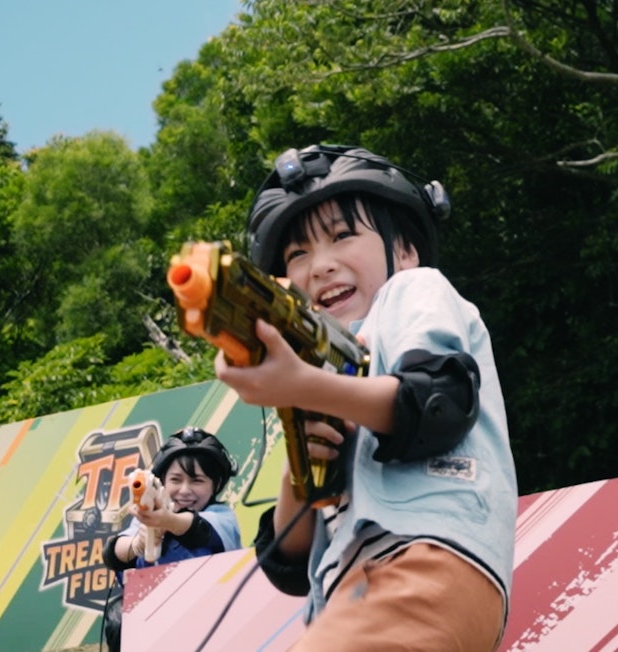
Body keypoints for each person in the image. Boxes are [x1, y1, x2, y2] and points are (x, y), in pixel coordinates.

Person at [215, 144, 518, 651]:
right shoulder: (319, 370)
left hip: (423, 561)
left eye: (342, 236)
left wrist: (305, 387)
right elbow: (289, 561)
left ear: (404, 251)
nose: (320, 266)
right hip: (346, 594)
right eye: (297, 255)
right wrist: (300, 465)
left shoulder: (413, 291)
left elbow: (436, 404)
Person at [100, 427, 241, 652]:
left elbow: (197, 529)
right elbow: (113, 553)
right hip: (154, 622)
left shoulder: (223, 518)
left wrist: (166, 520)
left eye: (197, 481)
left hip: (210, 621)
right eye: (176, 479)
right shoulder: (149, 516)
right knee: (119, 618)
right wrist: (137, 543)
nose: (185, 490)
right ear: (163, 480)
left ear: (215, 484)